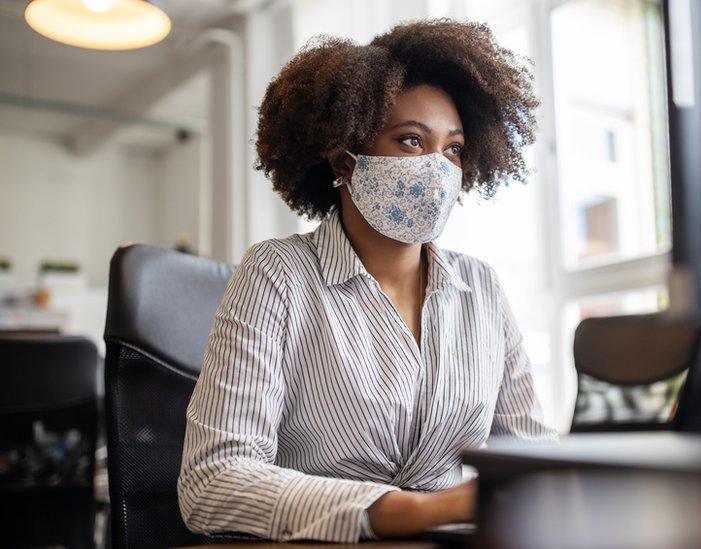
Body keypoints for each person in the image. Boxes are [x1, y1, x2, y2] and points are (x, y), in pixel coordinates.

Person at [177, 19, 556, 543]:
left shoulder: (481, 288)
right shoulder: (277, 275)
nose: (437, 169)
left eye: (452, 150)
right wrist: (416, 511)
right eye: (410, 141)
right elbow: (212, 482)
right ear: (343, 159)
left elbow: (532, 456)